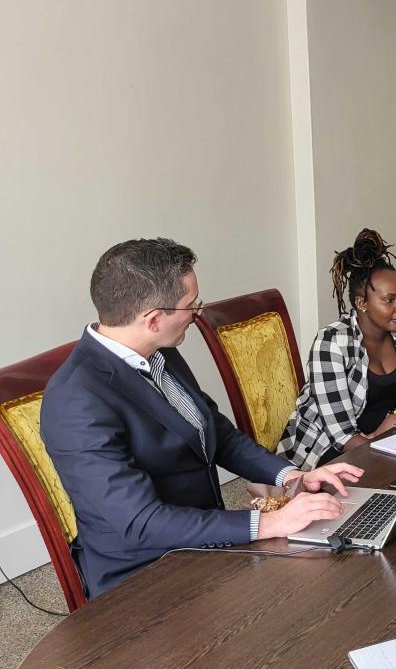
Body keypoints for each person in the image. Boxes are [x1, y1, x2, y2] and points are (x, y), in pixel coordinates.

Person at [41, 238, 361, 599]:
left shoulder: (160, 351)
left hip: (206, 537)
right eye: (191, 305)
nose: (198, 314)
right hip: (145, 573)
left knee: (338, 570)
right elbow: (141, 522)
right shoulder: (76, 399)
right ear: (153, 319)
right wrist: (270, 522)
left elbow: (216, 433)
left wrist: (292, 476)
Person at [277, 229, 396, 470]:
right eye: (390, 300)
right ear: (361, 303)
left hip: (391, 435)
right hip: (326, 449)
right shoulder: (332, 342)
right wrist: (384, 447)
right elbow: (342, 435)